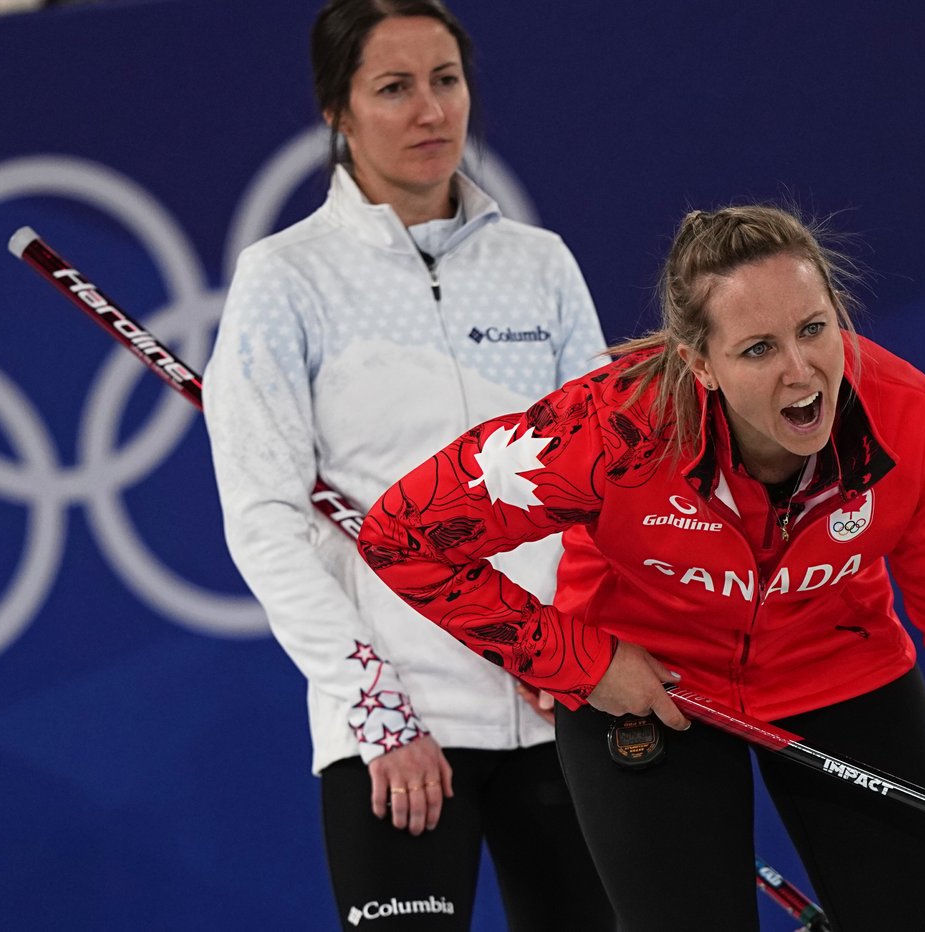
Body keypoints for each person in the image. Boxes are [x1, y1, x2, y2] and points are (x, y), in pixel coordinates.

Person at [357, 204, 925, 931]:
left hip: (842, 672)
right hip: (647, 687)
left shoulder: (905, 416)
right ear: (700, 364)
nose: (801, 372)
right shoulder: (608, 431)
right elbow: (401, 536)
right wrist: (578, 661)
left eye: (815, 329)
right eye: (757, 349)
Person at [203, 1, 614, 929]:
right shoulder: (286, 279)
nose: (431, 111)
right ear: (337, 114)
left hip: (552, 702)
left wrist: (578, 644)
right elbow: (264, 520)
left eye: (446, 80)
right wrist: (376, 708)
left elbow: (605, 483)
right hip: (397, 732)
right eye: (394, 88)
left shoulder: (541, 266)